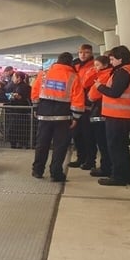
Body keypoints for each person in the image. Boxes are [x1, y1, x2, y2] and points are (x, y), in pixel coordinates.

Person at [30, 52, 85, 182]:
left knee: (42, 144)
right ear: (70, 63)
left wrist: (36, 108)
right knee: (60, 146)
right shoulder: (73, 77)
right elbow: (78, 98)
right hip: (63, 117)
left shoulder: (44, 74)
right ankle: (56, 173)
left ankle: (37, 170)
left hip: (44, 115)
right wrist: (76, 117)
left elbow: (35, 92)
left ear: (57, 61)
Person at [94, 45, 130, 186]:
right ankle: (124, 176)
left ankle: (118, 177)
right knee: (120, 146)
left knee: (116, 147)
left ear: (120, 59)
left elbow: (114, 92)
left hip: (119, 116)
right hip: (122, 115)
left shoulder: (123, 72)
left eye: (113, 59)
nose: (111, 62)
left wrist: (99, 86)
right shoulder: (128, 70)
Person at [69, 43, 99, 170]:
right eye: (81, 52)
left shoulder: (94, 66)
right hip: (76, 104)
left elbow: (85, 84)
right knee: (77, 134)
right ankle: (80, 158)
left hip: (87, 105)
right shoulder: (75, 65)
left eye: (86, 52)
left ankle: (90, 160)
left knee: (88, 135)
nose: (83, 55)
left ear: (91, 53)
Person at [87, 55, 113, 178]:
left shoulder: (105, 75)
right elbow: (86, 82)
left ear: (105, 65)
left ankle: (106, 167)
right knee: (103, 143)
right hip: (102, 112)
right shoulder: (105, 74)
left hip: (101, 112)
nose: (95, 68)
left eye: (97, 65)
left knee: (103, 143)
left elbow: (93, 95)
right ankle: (106, 166)